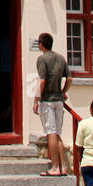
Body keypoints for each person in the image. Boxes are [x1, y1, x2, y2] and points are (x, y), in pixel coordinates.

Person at [33, 33, 72, 176]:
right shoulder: (61, 58)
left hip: (48, 100)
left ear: (41, 44)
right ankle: (63, 167)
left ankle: (55, 167)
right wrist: (63, 92)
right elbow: (69, 79)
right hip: (58, 100)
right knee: (58, 134)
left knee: (51, 133)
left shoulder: (42, 59)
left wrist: (36, 99)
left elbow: (42, 81)